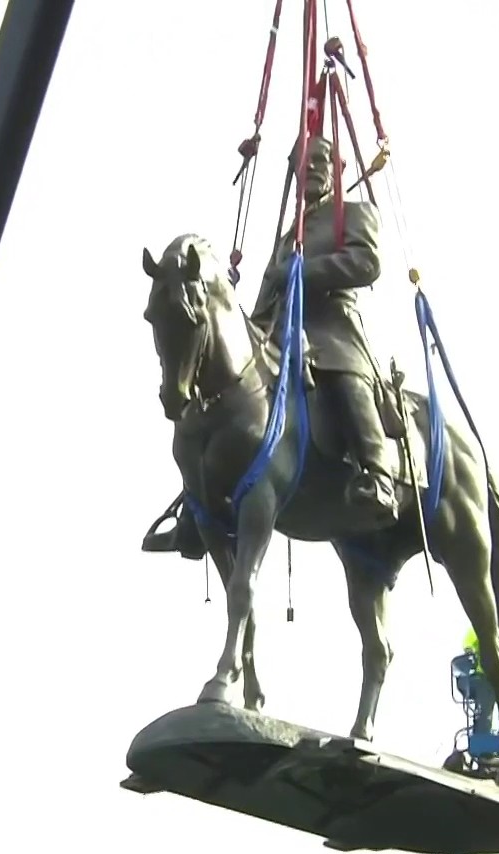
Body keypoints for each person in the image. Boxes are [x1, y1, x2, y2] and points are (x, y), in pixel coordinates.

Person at [141, 135, 394, 560]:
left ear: (337, 170)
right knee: (224, 391)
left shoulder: (353, 214)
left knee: (347, 379)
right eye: (302, 164)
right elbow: (270, 290)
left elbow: (367, 263)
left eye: (320, 162)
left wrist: (304, 270)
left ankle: (377, 473)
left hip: (332, 329)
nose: (310, 169)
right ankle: (196, 506)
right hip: (281, 333)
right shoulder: (288, 234)